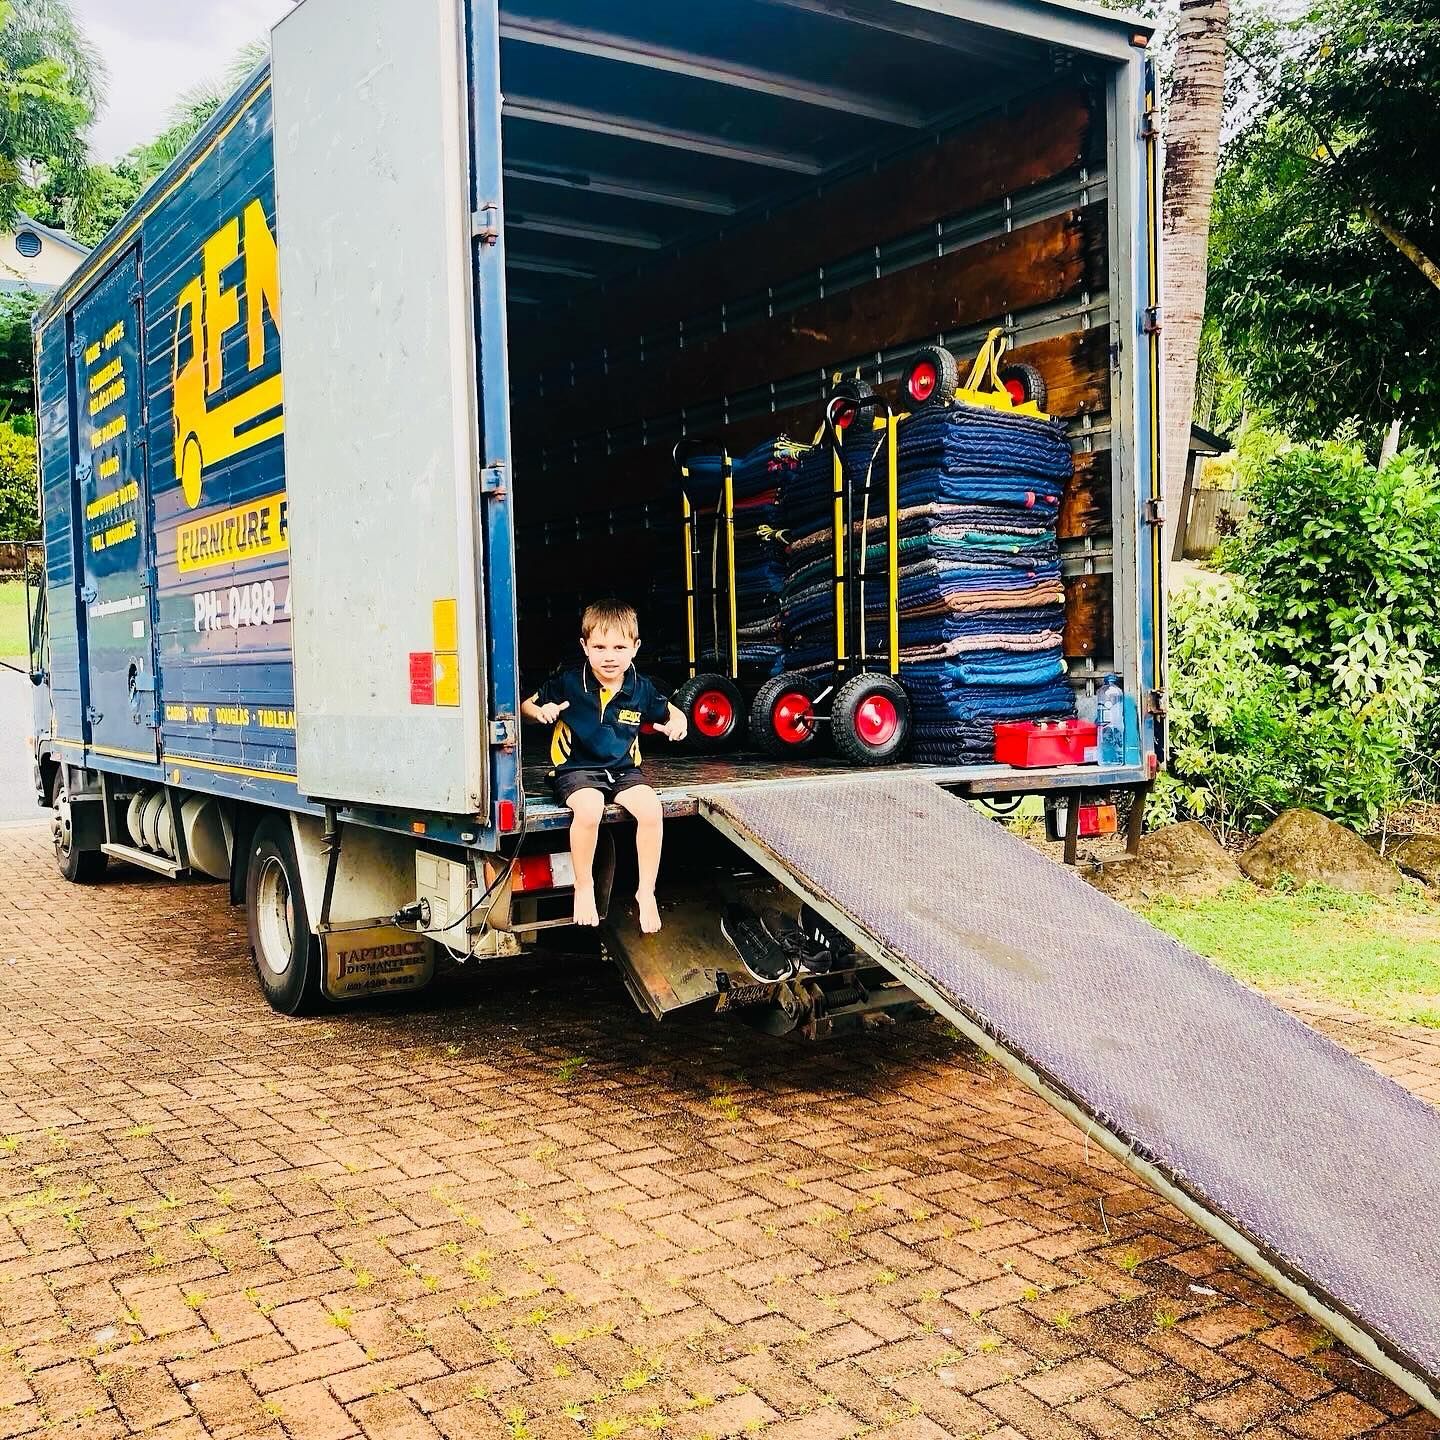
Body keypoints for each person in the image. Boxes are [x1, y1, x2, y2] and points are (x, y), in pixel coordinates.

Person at [520, 599, 687, 933]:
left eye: (619, 647)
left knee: (651, 810)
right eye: (599, 646)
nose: (609, 656)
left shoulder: (640, 688)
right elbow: (525, 705)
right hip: (576, 769)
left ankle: (646, 891)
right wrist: (540, 712)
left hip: (623, 769)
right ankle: (584, 886)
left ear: (635, 648)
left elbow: (673, 713)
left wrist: (677, 725)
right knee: (590, 808)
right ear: (584, 647)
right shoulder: (568, 682)